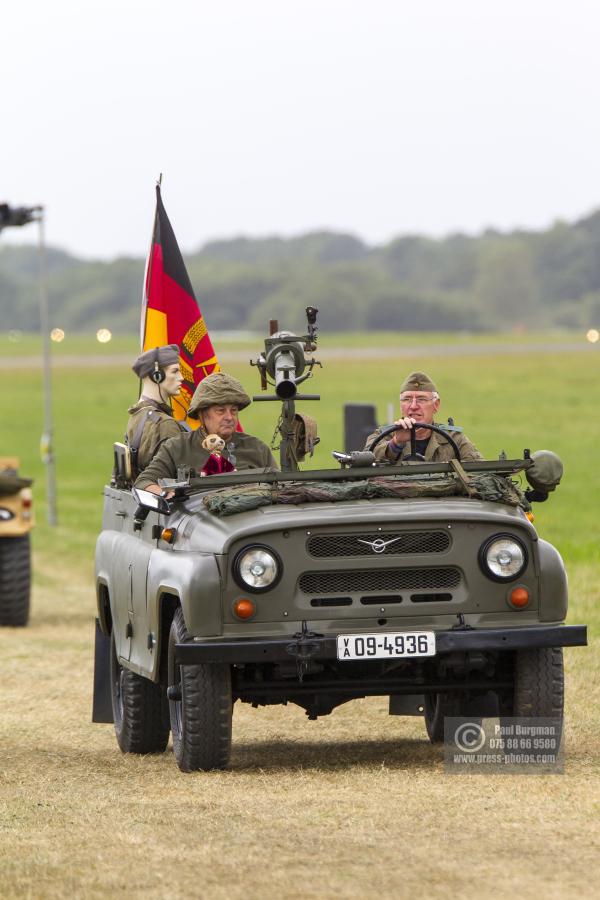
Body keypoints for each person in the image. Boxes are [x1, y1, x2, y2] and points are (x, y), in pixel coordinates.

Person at [135, 372, 278, 493]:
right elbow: (144, 481)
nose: (229, 417)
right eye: (220, 411)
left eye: (233, 410)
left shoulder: (257, 448)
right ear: (202, 414)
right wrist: (165, 495)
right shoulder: (178, 447)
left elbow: (281, 485)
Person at [364, 371, 482, 463]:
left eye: (421, 399)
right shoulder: (383, 436)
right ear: (401, 406)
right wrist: (395, 443)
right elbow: (365, 462)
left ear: (435, 405)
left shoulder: (454, 440)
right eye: (407, 399)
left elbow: (482, 473)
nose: (413, 406)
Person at [126, 345, 186, 475]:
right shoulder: (165, 424)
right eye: (175, 371)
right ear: (156, 375)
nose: (181, 377)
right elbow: (178, 477)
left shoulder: (137, 414)